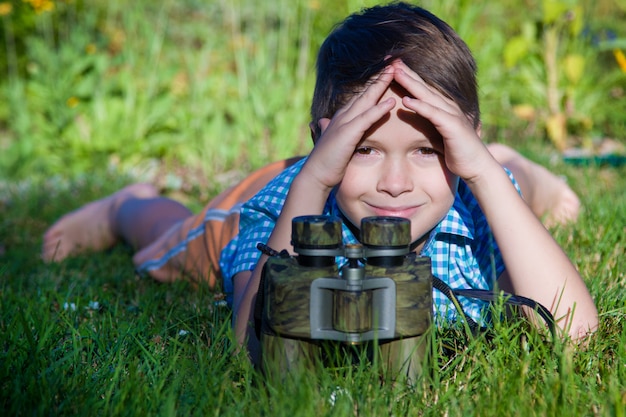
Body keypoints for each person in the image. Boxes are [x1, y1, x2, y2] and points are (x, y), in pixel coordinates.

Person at [42, 2, 597, 365]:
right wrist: (313, 179)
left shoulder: (477, 190)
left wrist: (483, 171)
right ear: (324, 144)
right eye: (366, 149)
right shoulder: (286, 203)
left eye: (429, 149)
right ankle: (126, 205)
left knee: (511, 187)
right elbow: (248, 348)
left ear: (461, 147)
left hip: (471, 165)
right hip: (259, 207)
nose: (395, 184)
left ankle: (516, 166)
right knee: (173, 246)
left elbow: (577, 333)